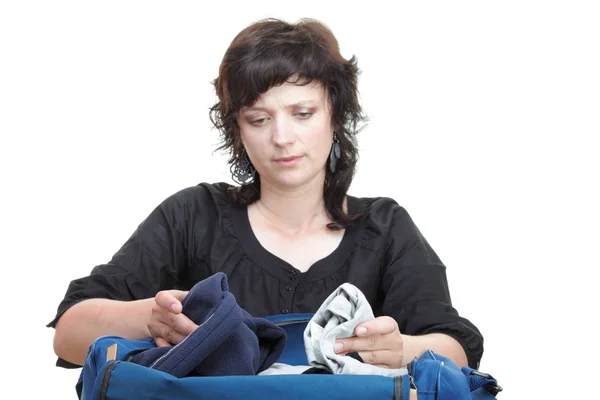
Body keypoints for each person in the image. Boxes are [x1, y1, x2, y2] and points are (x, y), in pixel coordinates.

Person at [48, 18, 483, 372]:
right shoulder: (192, 216)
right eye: (258, 119)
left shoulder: (386, 228)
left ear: (336, 115)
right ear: (237, 130)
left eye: (302, 113)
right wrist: (147, 319)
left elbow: (457, 353)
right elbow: (68, 334)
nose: (281, 137)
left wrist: (401, 348)